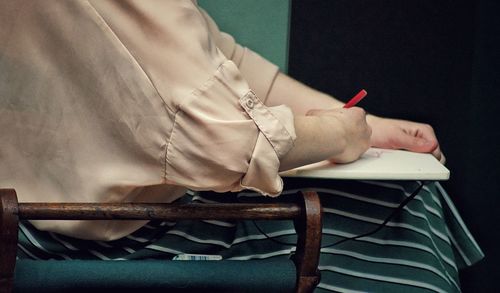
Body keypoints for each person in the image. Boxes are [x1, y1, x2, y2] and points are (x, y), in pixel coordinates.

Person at [0, 1, 482, 292]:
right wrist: (344, 134)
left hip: (94, 211)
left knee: (417, 198)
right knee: (405, 221)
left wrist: (369, 126)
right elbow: (227, 146)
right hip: (73, 236)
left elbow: (222, 60)